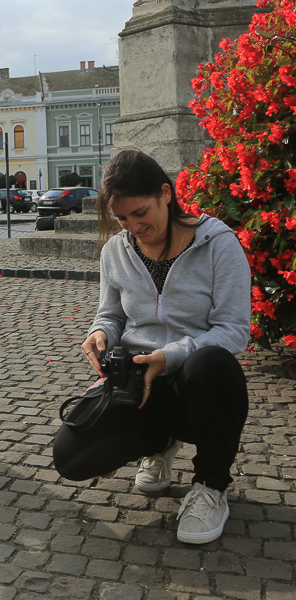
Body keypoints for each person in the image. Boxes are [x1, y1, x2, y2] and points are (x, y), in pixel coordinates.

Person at [52, 149, 250, 545]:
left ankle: (211, 485)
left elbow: (234, 331)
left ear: (166, 193)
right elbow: (110, 315)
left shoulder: (218, 244)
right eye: (122, 219)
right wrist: (100, 333)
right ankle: (159, 444)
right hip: (138, 384)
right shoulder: (115, 251)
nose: (134, 227)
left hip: (196, 383)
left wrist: (169, 355)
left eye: (140, 213)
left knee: (214, 364)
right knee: (69, 458)